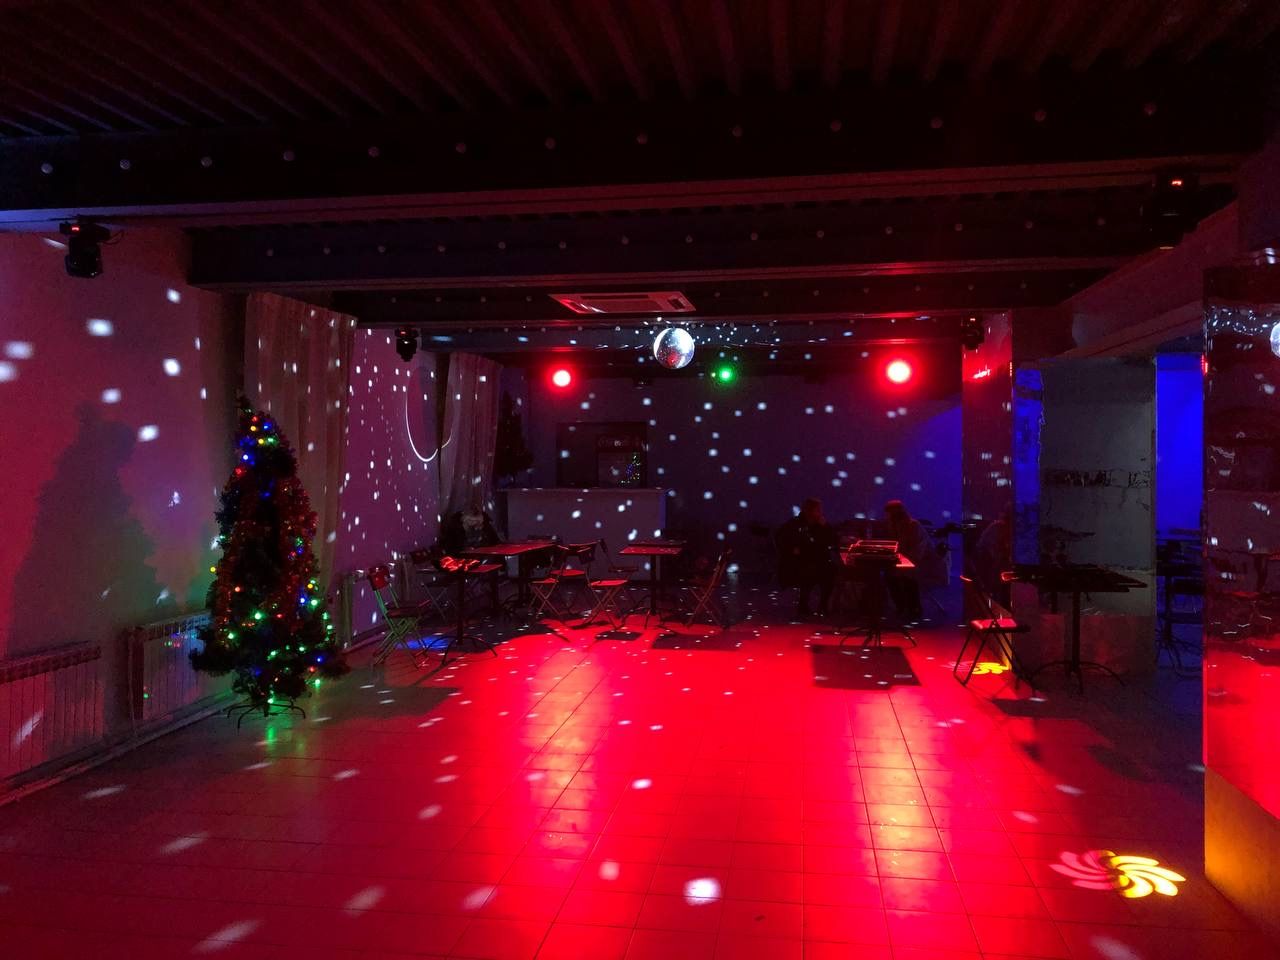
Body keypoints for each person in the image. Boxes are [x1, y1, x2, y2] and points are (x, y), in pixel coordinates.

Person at [776, 497, 838, 618]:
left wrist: (825, 527)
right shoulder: (795, 523)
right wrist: (792, 549)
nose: (820, 512)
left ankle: (823, 605)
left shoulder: (820, 524)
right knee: (809, 572)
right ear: (808, 510)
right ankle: (803, 605)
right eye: (817, 510)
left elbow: (832, 539)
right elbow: (781, 538)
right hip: (798, 562)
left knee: (830, 572)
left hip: (818, 560)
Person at [884, 499, 926, 622]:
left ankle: (911, 609)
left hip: (914, 561)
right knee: (891, 577)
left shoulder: (913, 525)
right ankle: (904, 608)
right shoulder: (894, 525)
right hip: (903, 559)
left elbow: (917, 548)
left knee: (906, 578)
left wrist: (904, 558)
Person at [974, 505, 1013, 605]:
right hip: (988, 561)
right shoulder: (998, 527)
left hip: (995, 561)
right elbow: (993, 549)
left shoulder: (1006, 528)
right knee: (995, 587)